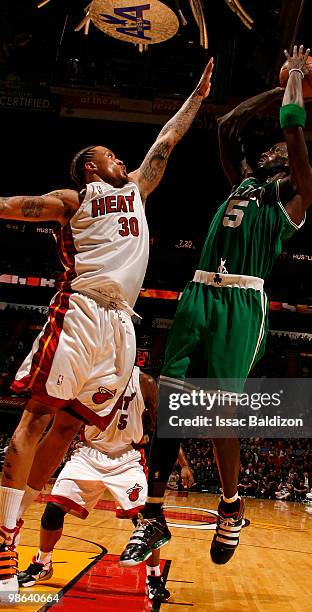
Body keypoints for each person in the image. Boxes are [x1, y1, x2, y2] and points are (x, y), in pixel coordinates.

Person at [0, 57, 213, 598]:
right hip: (83, 310)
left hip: (122, 327)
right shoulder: (75, 199)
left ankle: (18, 518)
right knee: (37, 417)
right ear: (91, 168)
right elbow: (13, 207)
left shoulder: (138, 190)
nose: (121, 158)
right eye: (109, 155)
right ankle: (4, 535)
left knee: (70, 428)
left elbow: (166, 140)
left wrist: (196, 97)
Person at [119, 45, 312, 566]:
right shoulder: (245, 183)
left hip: (241, 303)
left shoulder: (296, 195)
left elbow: (295, 134)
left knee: (219, 415)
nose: (275, 148)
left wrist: (296, 84)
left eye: (282, 148)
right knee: (169, 405)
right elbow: (228, 124)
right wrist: (276, 88)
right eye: (271, 147)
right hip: (198, 293)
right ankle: (154, 516)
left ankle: (231, 507)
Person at [17, 367, 193, 603]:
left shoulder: (146, 383)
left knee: (147, 521)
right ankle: (42, 563)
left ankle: (154, 578)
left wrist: (183, 464)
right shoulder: (92, 372)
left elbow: (164, 427)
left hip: (127, 458)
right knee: (52, 511)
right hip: (88, 454)